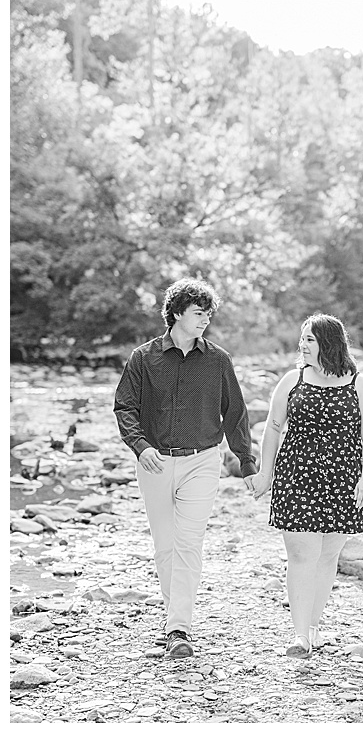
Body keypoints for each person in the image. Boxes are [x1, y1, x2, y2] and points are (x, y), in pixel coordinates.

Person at [113, 278, 256, 659]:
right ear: (176, 313)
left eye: (209, 313)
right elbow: (124, 407)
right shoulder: (144, 358)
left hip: (203, 461)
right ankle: (173, 615)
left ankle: (179, 627)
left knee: (189, 544)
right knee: (165, 548)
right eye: (198, 312)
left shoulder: (218, 360)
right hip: (155, 462)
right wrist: (140, 447)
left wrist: (247, 462)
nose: (205, 319)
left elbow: (236, 413)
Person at [247, 314, 363, 658]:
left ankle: (313, 625)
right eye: (301, 339)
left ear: (329, 343)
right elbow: (273, 428)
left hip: (343, 480)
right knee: (301, 555)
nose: (302, 345)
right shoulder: (293, 380)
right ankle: (299, 635)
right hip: (296, 477)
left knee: (327, 557)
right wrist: (265, 473)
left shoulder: (359, 384)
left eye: (310, 339)